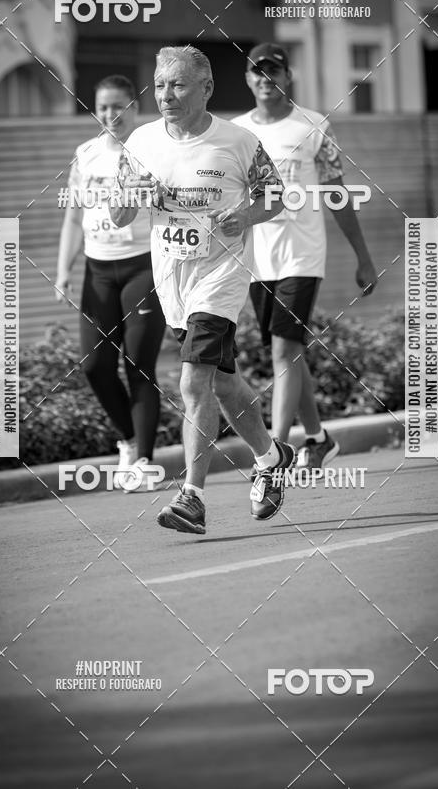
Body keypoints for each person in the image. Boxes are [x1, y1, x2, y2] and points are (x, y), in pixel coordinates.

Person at [111, 45, 295, 535]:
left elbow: (275, 196)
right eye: (160, 84)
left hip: (223, 273)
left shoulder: (238, 141)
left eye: (178, 85)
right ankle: (271, 455)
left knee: (193, 382)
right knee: (221, 383)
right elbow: (117, 214)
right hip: (173, 276)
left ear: (206, 88)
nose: (165, 95)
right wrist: (134, 198)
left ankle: (192, 496)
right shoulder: (142, 142)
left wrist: (246, 214)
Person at [233, 43, 378, 471]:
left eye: (273, 70)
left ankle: (275, 453)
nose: (265, 78)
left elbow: (338, 193)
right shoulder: (237, 132)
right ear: (247, 79)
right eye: (257, 71)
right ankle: (317, 438)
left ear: (287, 75)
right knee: (290, 353)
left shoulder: (315, 126)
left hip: (303, 256)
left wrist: (363, 258)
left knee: (283, 350)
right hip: (259, 260)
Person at [55, 75, 166, 492]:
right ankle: (128, 440)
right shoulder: (84, 155)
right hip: (97, 271)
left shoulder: (150, 152)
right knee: (95, 367)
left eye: (118, 107)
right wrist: (63, 270)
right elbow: (72, 217)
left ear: (134, 107)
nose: (110, 115)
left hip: (141, 268)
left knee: (139, 365)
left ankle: (145, 462)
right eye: (102, 107)